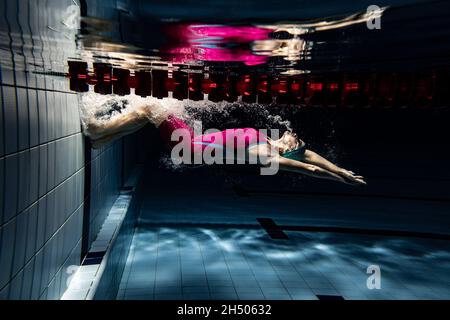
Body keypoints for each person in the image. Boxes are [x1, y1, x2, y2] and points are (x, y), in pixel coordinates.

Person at [84, 101, 366, 185]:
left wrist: (338, 179)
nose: (294, 133)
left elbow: (310, 168)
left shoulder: (268, 156)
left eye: (297, 139)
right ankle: (101, 139)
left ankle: (98, 128)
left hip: (190, 147)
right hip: (192, 145)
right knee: (153, 111)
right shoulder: (269, 139)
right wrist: (341, 170)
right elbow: (311, 157)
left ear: (288, 148)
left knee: (151, 110)